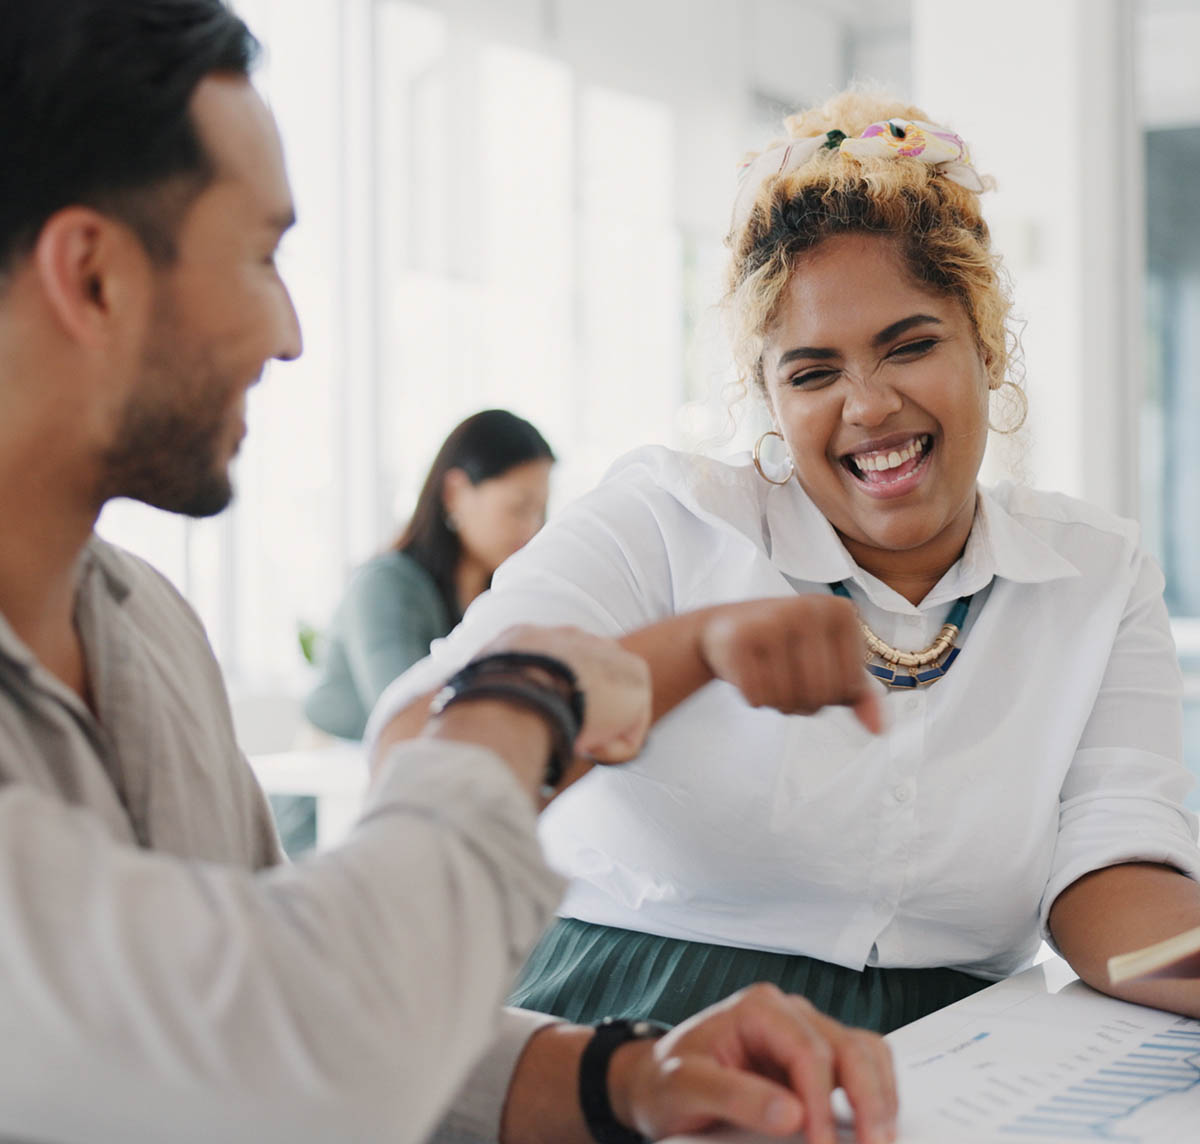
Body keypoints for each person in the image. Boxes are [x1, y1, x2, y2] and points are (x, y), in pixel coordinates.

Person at [0, 0, 902, 1144]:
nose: (292, 332)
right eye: (263, 256)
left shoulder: (145, 623)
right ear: (93, 276)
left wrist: (623, 1077)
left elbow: (292, 973)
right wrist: (526, 696)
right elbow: (309, 1044)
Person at [370, 89, 1200, 1034]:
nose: (869, 403)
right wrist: (694, 648)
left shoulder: (1098, 575)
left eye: (911, 346)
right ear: (768, 396)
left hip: (957, 1047)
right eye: (812, 373)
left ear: (988, 346)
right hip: (635, 1024)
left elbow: (1112, 870)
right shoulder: (663, 522)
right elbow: (427, 744)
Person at [305, 409, 554, 741]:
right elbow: (406, 712)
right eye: (519, 508)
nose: (532, 529)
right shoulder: (384, 584)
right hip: (331, 780)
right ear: (455, 492)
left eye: (541, 512)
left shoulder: (498, 593)